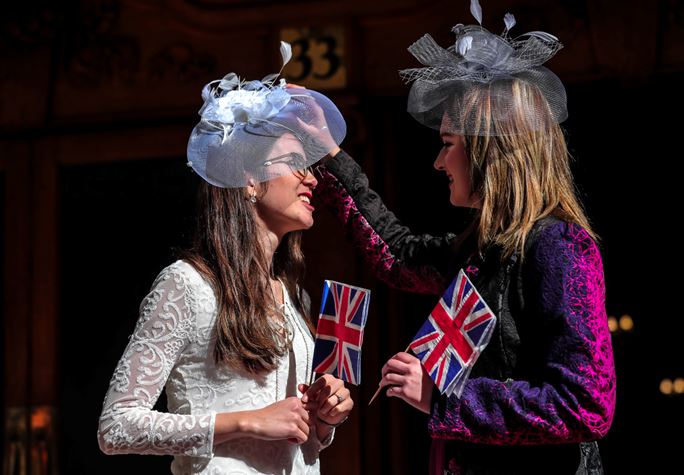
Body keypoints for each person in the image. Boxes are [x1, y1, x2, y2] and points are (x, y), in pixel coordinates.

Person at [309, 2, 616, 474]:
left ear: (492, 151)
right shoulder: (485, 249)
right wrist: (325, 152)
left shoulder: (560, 246)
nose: (437, 163)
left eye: (448, 143)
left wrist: (443, 397)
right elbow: (397, 255)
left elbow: (586, 403)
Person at [97, 46, 354, 474]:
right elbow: (116, 426)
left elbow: (298, 443)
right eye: (295, 163)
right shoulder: (187, 284)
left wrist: (324, 421)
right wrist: (248, 422)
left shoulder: (291, 295)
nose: (312, 178)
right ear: (249, 180)